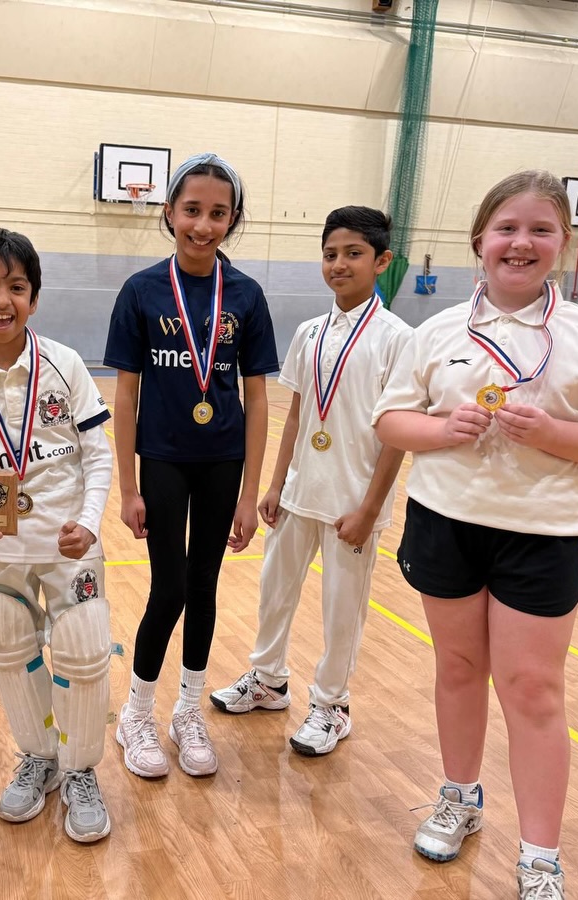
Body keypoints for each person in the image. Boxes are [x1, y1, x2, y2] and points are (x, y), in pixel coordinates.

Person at [373, 170, 578, 900]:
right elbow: (391, 421)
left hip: (542, 535)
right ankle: (460, 798)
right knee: (458, 670)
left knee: (533, 691)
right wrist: (440, 428)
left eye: (540, 229)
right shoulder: (435, 331)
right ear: (479, 242)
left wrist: (555, 431)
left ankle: (539, 857)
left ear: (564, 243)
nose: (520, 242)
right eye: (506, 228)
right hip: (445, 524)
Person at [0, 227, 114, 843]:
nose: (1, 300)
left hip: (67, 541)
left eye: (16, 287)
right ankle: (39, 758)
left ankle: (81, 770)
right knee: (8, 644)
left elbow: (98, 454)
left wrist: (88, 524)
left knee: (85, 649)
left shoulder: (64, 366)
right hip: (2, 542)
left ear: (34, 298)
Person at [209, 206, 412, 757]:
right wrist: (275, 484)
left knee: (342, 610)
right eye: (330, 254)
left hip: (352, 502)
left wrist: (371, 510)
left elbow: (396, 436)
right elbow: (297, 415)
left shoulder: (398, 338)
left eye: (353, 254)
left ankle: (331, 705)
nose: (339, 264)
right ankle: (269, 680)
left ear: (382, 261)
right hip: (299, 492)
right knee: (275, 592)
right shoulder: (309, 332)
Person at [104, 152, 278, 779]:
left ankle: (187, 710)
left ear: (232, 219)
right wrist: (128, 487)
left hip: (223, 460)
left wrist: (248, 491)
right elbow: (125, 394)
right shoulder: (143, 291)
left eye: (218, 214)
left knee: (204, 587)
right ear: (170, 213)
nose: (204, 225)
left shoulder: (248, 295)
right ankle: (136, 714)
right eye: (192, 211)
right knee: (169, 588)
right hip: (166, 460)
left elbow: (256, 397)